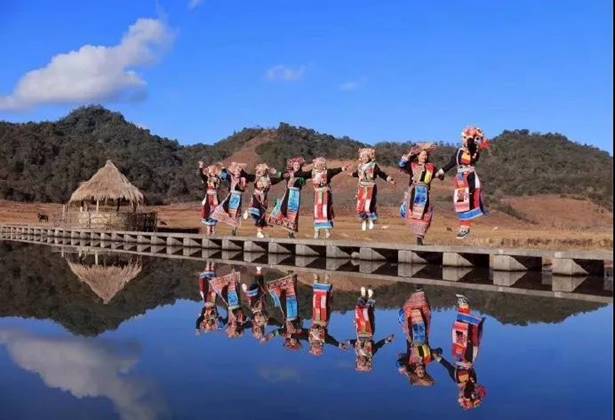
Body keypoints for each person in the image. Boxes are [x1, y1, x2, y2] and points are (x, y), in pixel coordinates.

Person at [433, 294, 487, 410]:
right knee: (469, 332)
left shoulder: (456, 379)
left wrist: (438, 358)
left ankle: (463, 306)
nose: (460, 396)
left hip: (459, 352)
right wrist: (470, 400)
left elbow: (448, 367)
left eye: (460, 397)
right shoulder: (470, 386)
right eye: (461, 397)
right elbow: (473, 390)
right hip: (469, 356)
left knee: (459, 328)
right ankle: (465, 306)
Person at [436, 127, 490, 239]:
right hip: (460, 178)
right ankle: (463, 227)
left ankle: (465, 228)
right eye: (464, 137)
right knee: (461, 203)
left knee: (466, 202)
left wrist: (472, 136)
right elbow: (452, 162)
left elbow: (470, 144)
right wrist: (441, 171)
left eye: (468, 138)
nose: (466, 140)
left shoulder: (473, 149)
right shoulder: (459, 150)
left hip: (469, 178)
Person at [345, 286, 395, 372]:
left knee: (358, 313)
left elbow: (354, 342)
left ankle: (362, 296)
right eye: (363, 363)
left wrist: (348, 342)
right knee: (368, 315)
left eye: (359, 363)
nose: (361, 361)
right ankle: (370, 297)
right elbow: (378, 345)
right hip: (369, 332)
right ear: (367, 362)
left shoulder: (357, 351)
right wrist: (387, 340)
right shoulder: (371, 353)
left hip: (359, 331)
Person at [396, 287, 439, 386]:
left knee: (405, 315)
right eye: (423, 372)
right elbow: (439, 350)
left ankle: (411, 295)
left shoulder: (409, 362)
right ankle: (419, 292)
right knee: (423, 312)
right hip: (423, 334)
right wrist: (436, 353)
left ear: (415, 371)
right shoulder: (427, 360)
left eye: (419, 372)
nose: (421, 370)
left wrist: (406, 371)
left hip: (411, 336)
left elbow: (399, 363)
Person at [399, 143, 440, 245]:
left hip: (425, 194)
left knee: (425, 215)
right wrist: (409, 154)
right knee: (414, 213)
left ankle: (420, 236)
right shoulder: (412, 165)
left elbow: (438, 174)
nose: (424, 157)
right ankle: (417, 236)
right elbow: (402, 164)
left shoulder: (431, 167)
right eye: (422, 155)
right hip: (414, 192)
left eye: (426, 155)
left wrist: (440, 174)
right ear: (417, 156)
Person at [350, 148, 395, 231]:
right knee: (360, 206)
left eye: (366, 156)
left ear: (369, 157)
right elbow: (358, 174)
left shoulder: (374, 166)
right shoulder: (360, 166)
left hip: (370, 187)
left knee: (368, 206)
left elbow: (381, 174)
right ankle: (364, 220)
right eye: (363, 156)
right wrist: (352, 174)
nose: (364, 158)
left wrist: (389, 179)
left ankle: (371, 220)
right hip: (361, 187)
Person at [267, 157, 312, 238]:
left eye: (298, 165)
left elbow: (308, 175)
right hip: (288, 193)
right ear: (292, 165)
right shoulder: (288, 174)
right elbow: (280, 177)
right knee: (283, 209)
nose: (297, 166)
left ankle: (291, 232)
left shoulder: (302, 174)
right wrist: (272, 176)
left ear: (300, 166)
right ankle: (275, 220)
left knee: (293, 213)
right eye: (295, 164)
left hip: (296, 195)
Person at [264, 273, 306, 350]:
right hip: (294, 312)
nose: (293, 340)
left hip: (287, 314)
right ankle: (291, 280)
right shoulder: (299, 332)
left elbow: (277, 332)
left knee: (282, 298)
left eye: (291, 342)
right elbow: (301, 322)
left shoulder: (286, 332)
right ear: (297, 340)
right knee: (293, 296)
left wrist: (268, 336)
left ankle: (281, 285)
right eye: (295, 341)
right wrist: (297, 328)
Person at [310, 157, 349, 239]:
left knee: (325, 211)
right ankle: (317, 232)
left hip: (325, 194)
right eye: (318, 165)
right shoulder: (313, 173)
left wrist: (342, 168)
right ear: (315, 165)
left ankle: (327, 231)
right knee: (317, 212)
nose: (319, 166)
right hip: (317, 194)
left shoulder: (327, 172)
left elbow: (335, 171)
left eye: (321, 165)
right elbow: (302, 174)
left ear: (324, 165)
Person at [308, 274, 348, 356]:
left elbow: (301, 335)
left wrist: (289, 333)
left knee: (316, 300)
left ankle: (316, 279)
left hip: (315, 318)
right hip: (323, 319)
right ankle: (326, 280)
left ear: (312, 346)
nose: (316, 345)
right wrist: (339, 345)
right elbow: (332, 341)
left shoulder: (309, 338)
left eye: (314, 346)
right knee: (324, 301)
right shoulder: (324, 339)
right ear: (320, 346)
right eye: (317, 347)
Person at [211, 162, 251, 236]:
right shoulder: (231, 177)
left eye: (239, 172)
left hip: (238, 198)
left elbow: (247, 181)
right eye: (236, 172)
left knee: (237, 214)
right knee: (222, 207)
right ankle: (213, 226)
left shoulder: (243, 179)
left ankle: (234, 229)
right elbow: (223, 175)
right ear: (233, 172)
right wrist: (218, 170)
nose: (237, 173)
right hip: (232, 196)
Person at [208, 269, 250, 338]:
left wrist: (219, 325)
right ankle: (233, 272)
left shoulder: (229, 322)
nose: (232, 327)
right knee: (232, 287)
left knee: (220, 290)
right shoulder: (241, 321)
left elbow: (222, 321)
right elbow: (246, 318)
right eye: (233, 328)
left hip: (229, 304)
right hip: (234, 303)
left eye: (231, 328)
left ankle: (217, 273)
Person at [244, 163, 283, 238]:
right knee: (255, 210)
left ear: (265, 171)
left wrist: (276, 172)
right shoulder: (255, 177)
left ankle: (259, 232)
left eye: (262, 170)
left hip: (264, 199)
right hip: (256, 196)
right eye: (259, 170)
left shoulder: (269, 179)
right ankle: (248, 212)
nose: (260, 172)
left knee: (262, 215)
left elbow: (281, 178)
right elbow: (246, 176)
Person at [241, 266, 271, 342]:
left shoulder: (251, 323)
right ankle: (259, 271)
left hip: (253, 304)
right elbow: (269, 318)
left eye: (255, 330)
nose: (257, 329)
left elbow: (244, 326)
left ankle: (246, 291)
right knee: (260, 287)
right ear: (262, 330)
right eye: (258, 331)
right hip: (262, 303)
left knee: (253, 288)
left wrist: (239, 329)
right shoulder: (265, 323)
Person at [195, 262, 224, 334]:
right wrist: (219, 325)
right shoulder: (215, 317)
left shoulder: (203, 316)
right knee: (213, 281)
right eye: (210, 325)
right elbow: (221, 321)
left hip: (206, 300)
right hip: (213, 300)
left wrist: (197, 328)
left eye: (208, 324)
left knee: (204, 283)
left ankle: (208, 265)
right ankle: (213, 264)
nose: (209, 323)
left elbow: (198, 320)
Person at [197, 161, 225, 236]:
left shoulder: (218, 178)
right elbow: (201, 175)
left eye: (214, 170)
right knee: (208, 211)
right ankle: (208, 229)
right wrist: (201, 166)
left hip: (215, 197)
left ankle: (213, 229)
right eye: (211, 170)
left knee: (215, 211)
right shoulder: (207, 178)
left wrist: (222, 168)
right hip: (208, 197)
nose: (213, 172)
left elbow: (224, 176)